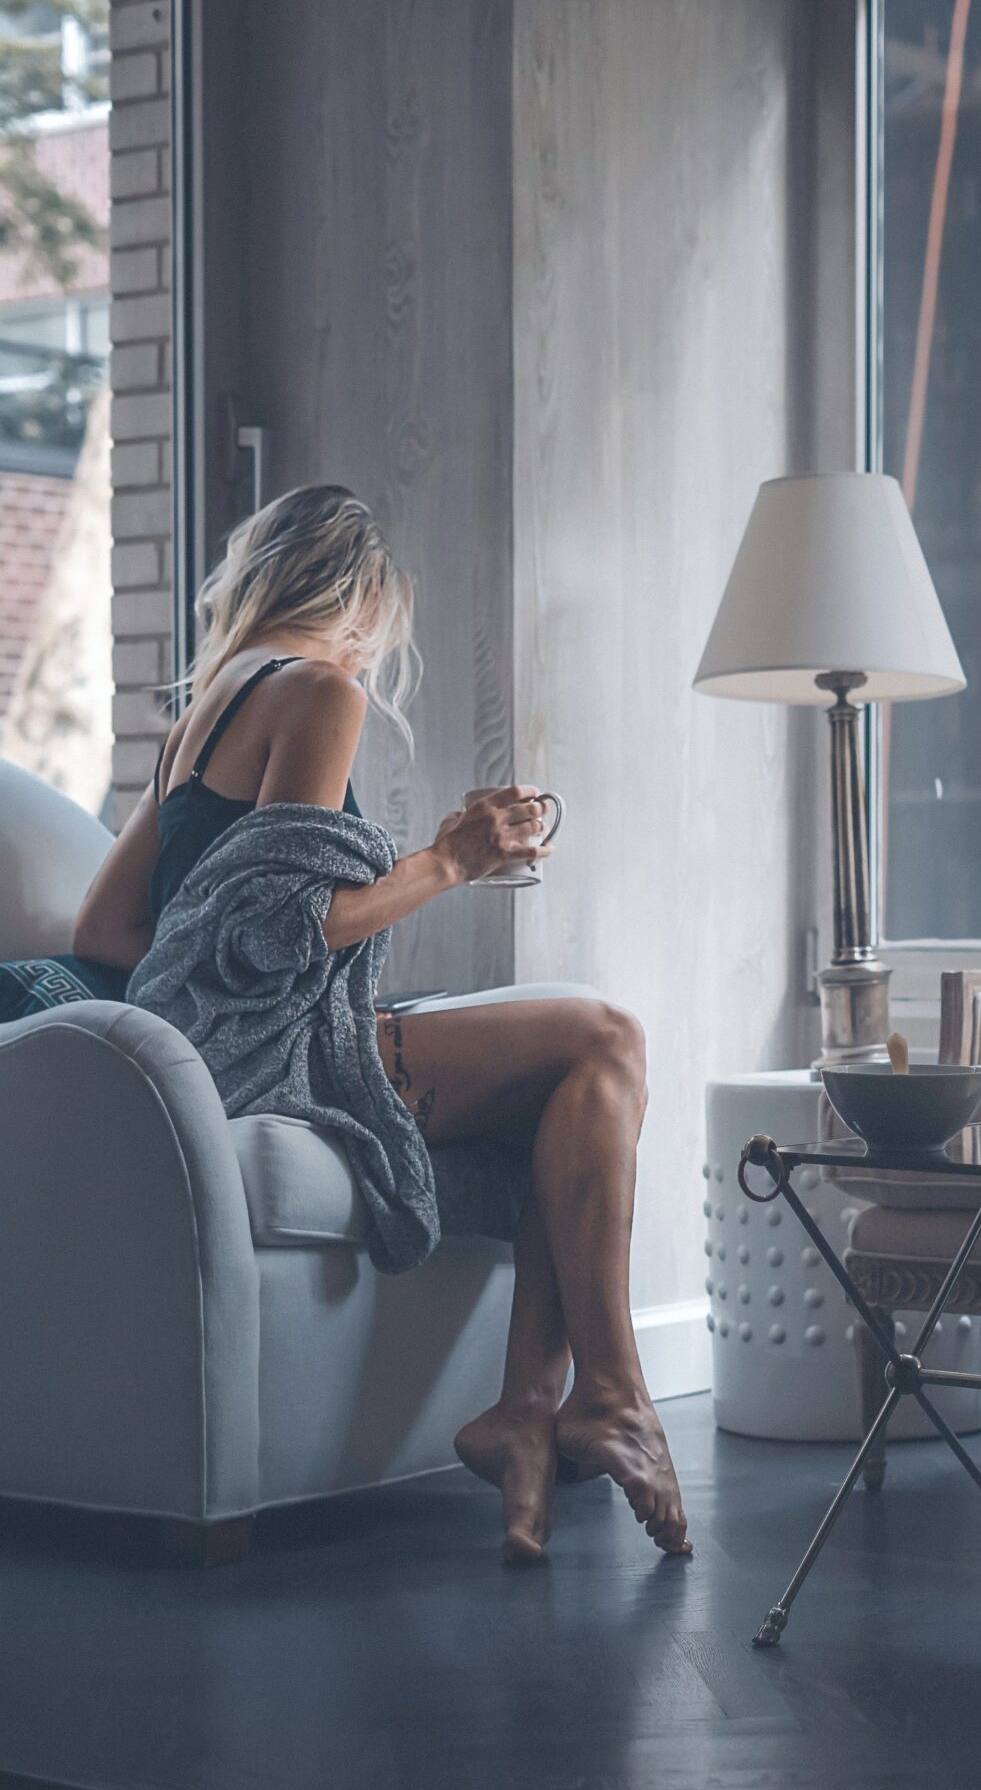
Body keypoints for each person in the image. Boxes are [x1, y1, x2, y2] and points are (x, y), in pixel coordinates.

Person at [72, 484, 689, 1562]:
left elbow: (112, 926)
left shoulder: (196, 721)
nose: (370, 654)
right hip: (268, 1059)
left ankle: (532, 1415)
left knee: (569, 1086)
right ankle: (612, 1397)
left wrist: (211, 973)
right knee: (606, 1039)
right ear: (358, 601)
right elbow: (285, 929)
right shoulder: (316, 687)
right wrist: (452, 861)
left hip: (208, 1050)